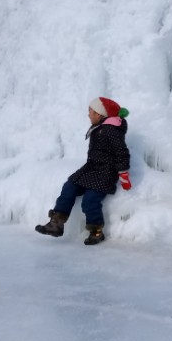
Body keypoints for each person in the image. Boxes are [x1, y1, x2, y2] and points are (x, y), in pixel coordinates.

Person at [35, 97, 132, 245]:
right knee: (69, 186)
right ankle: (56, 223)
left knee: (90, 200)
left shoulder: (111, 130)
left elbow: (121, 152)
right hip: (91, 169)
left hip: (105, 173)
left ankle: (96, 232)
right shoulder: (99, 127)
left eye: (90, 111)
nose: (88, 114)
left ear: (99, 114)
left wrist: (123, 174)